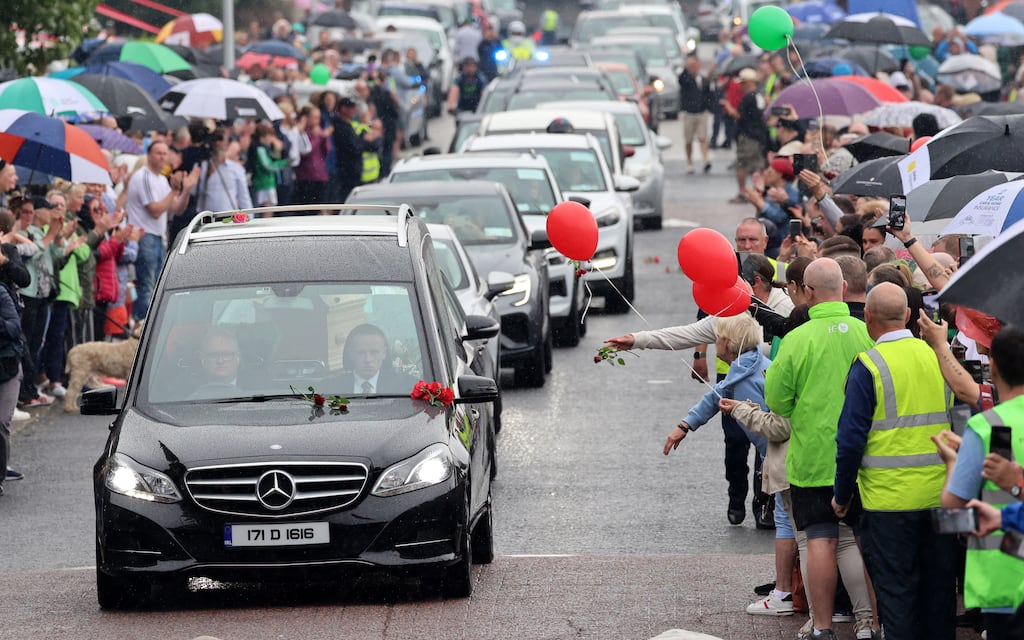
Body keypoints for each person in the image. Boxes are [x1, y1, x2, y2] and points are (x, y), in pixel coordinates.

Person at [832, 282, 955, 640]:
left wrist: (841, 495)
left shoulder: (868, 365)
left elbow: (850, 440)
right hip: (941, 496)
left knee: (898, 600)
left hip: (889, 502)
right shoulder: (937, 355)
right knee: (940, 596)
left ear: (867, 317)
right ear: (906, 315)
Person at [764, 257, 875, 640]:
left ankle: (823, 627)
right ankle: (869, 623)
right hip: (862, 457)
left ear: (808, 293)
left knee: (821, 540)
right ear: (844, 288)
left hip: (812, 456)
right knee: (858, 540)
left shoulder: (796, 339)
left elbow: (777, 401)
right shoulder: (864, 334)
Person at [935, 325, 1024, 640]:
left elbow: (952, 510)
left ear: (993, 365)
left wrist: (952, 464)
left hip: (1003, 576)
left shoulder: (988, 426)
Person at [125, 142, 199, 321]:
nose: (162, 157)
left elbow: (176, 209)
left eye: (165, 153)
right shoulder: (144, 177)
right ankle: (142, 330)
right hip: (145, 236)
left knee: (157, 288)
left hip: (158, 237)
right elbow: (156, 210)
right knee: (147, 286)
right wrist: (174, 190)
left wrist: (186, 189)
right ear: (149, 155)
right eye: (158, 153)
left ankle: (153, 326)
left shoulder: (160, 179)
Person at [722, 68, 767, 205]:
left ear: (748, 83)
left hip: (748, 136)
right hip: (758, 136)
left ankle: (743, 193)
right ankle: (758, 192)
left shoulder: (748, 97)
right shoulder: (758, 96)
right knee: (757, 165)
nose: (740, 87)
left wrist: (728, 107)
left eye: (742, 83)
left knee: (741, 165)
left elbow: (739, 115)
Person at [333, 323, 418, 395]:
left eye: (374, 352)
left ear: (384, 353)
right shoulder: (332, 389)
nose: (368, 359)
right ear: (350, 354)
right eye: (361, 353)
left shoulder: (405, 387)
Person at [333, 96, 381, 201]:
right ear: (343, 108)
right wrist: (365, 141)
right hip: (347, 171)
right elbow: (354, 147)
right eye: (350, 107)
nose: (353, 110)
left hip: (356, 172)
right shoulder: (341, 126)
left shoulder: (348, 124)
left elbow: (375, 144)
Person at [678, 53, 713, 175]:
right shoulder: (686, 79)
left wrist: (709, 107)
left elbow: (709, 96)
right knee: (688, 140)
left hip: (701, 112)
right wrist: (686, 67)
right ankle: (689, 162)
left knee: (703, 137)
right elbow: (681, 79)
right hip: (689, 113)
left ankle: (705, 160)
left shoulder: (703, 81)